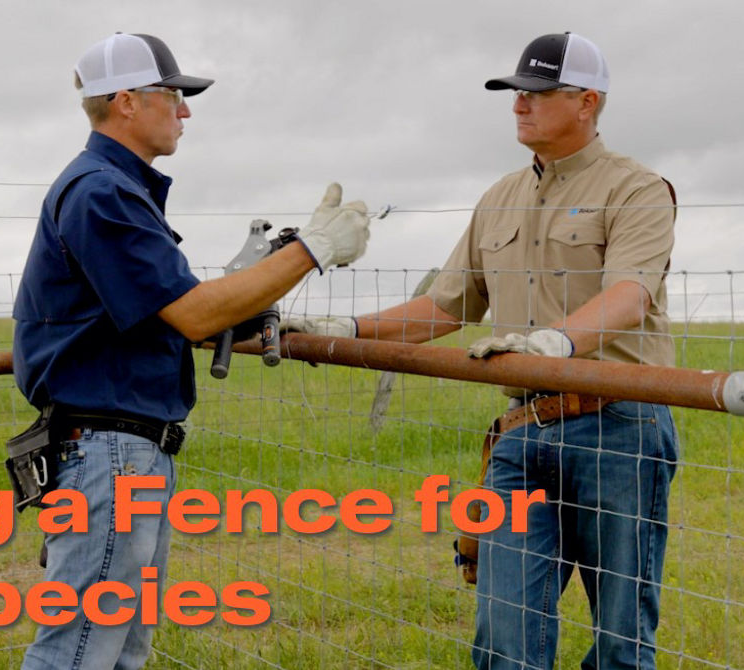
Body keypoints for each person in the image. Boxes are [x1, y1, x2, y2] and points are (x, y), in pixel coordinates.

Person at [285, 32, 679, 669]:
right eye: (515, 93)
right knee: (504, 633)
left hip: (619, 427)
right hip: (522, 435)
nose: (520, 105)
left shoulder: (636, 189)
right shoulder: (499, 198)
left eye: (539, 93)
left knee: (621, 636)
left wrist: (555, 343)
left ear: (588, 101)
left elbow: (629, 296)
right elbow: (446, 308)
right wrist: (344, 330)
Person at [12, 32, 371, 670]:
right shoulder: (104, 194)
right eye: (174, 95)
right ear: (127, 101)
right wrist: (311, 249)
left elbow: (168, 317)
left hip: (119, 448)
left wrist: (269, 323)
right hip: (111, 453)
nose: (185, 111)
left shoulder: (114, 189)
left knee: (119, 650)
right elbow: (194, 311)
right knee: (80, 650)